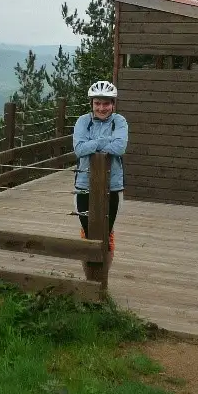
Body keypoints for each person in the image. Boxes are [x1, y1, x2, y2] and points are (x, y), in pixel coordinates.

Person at [73, 80, 128, 267]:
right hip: (83, 184)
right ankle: (89, 280)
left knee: (106, 233)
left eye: (106, 103)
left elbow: (120, 147)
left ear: (113, 104)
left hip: (112, 185)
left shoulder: (119, 121)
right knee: (87, 232)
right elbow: (79, 150)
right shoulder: (83, 121)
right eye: (97, 103)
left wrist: (93, 143)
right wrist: (105, 142)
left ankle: (101, 283)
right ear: (92, 104)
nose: (102, 108)